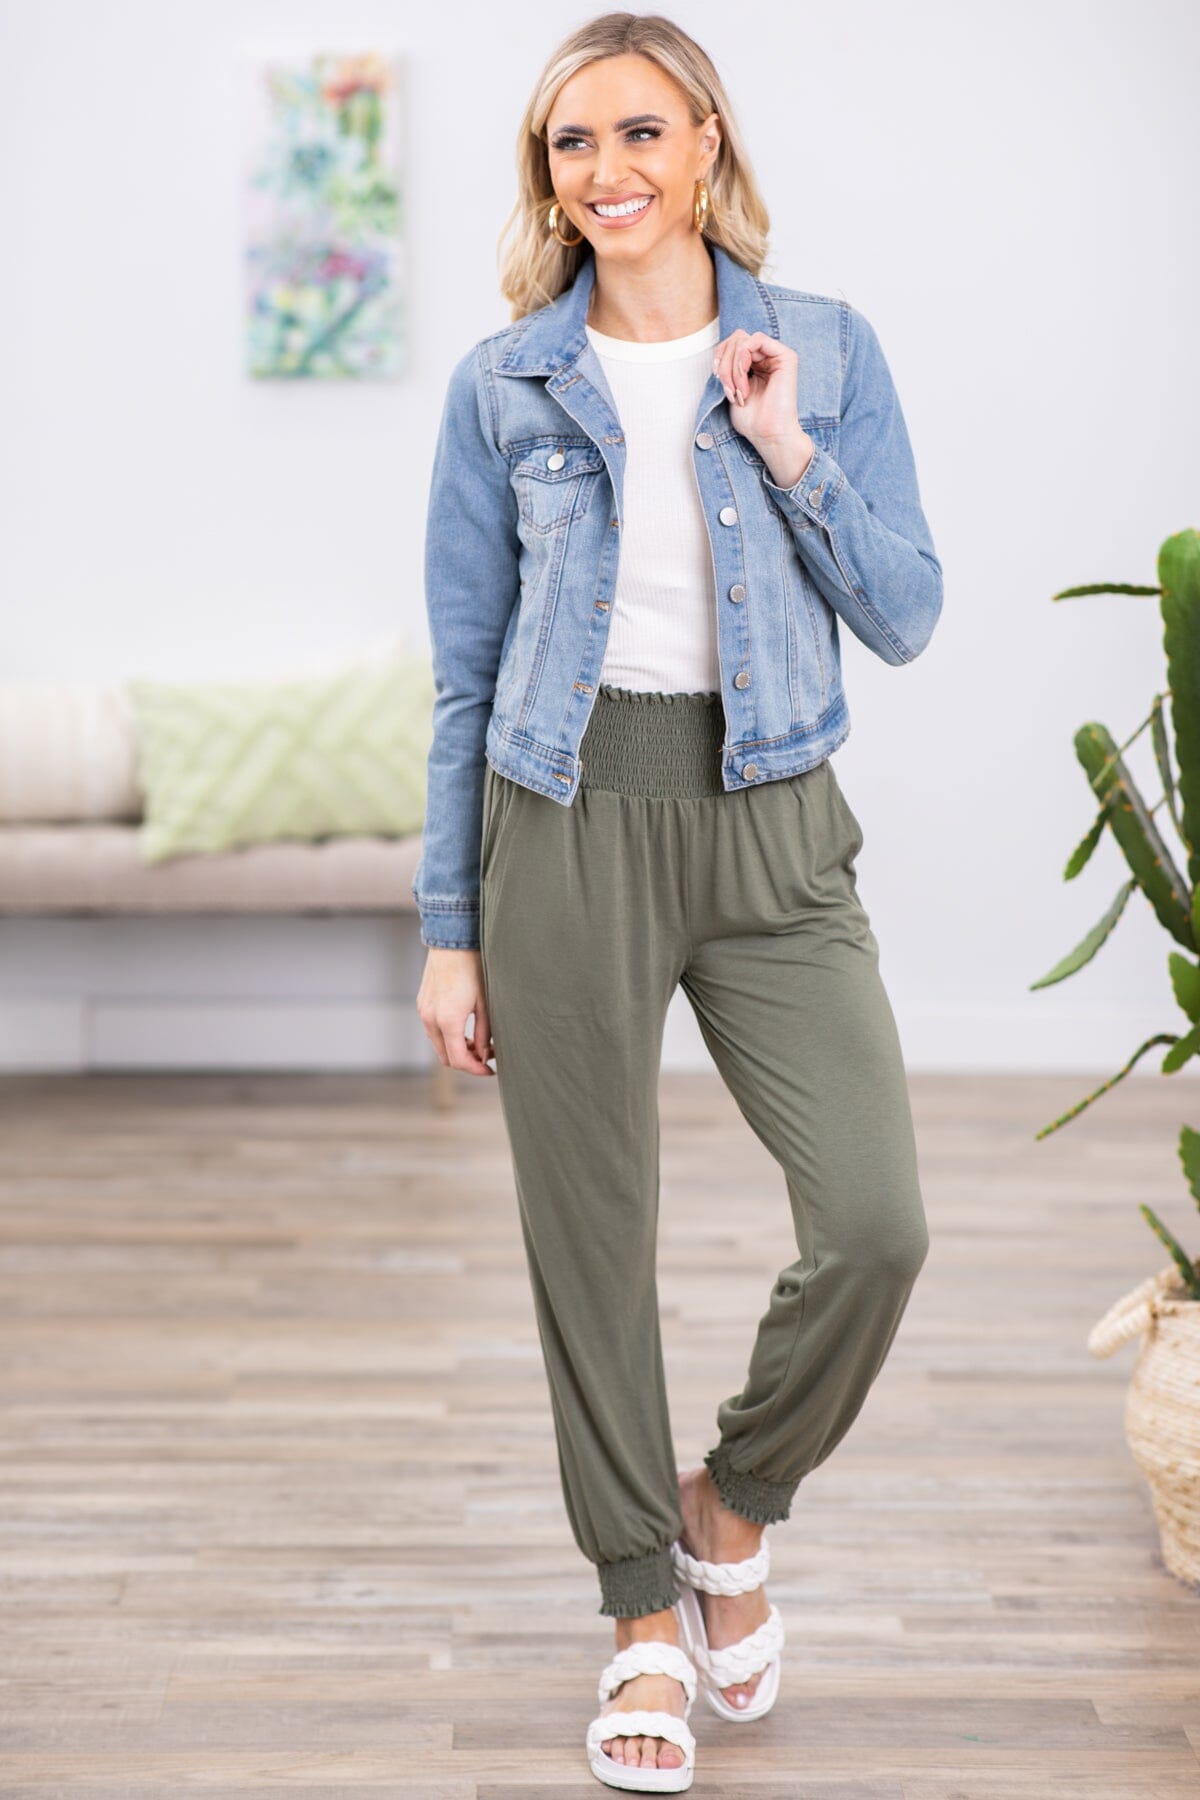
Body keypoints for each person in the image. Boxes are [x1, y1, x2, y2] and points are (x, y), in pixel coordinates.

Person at [414, 12, 942, 1792]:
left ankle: (733, 1500)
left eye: (641, 132)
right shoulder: (506, 383)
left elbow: (907, 611)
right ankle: (643, 1611)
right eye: (572, 143)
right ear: (547, 174)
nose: (607, 171)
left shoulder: (826, 350)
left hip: (776, 824)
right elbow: (467, 673)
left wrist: (787, 446)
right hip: (562, 826)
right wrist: (448, 926)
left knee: (875, 1223)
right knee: (592, 1245)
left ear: (706, 140)